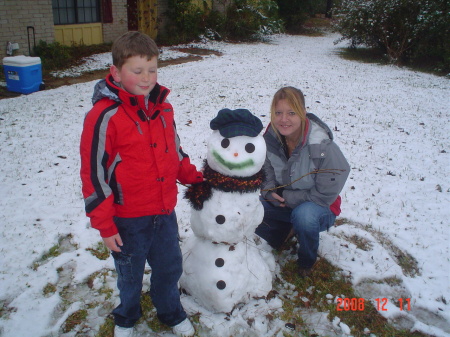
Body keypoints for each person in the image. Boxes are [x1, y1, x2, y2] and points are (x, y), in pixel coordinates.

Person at [80, 31, 202, 337]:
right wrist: (105, 226)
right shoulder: (103, 116)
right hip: (127, 218)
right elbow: (94, 174)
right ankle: (127, 315)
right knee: (130, 275)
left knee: (169, 268)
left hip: (164, 212)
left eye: (152, 70)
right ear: (116, 72)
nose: (147, 78)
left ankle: (170, 311)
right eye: (137, 71)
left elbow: (174, 152)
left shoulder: (163, 109)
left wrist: (194, 179)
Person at [255, 86, 350, 277]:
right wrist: (268, 191)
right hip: (284, 202)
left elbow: (325, 194)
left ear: (303, 113)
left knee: (304, 217)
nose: (283, 119)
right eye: (278, 113)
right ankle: (279, 237)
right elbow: (266, 170)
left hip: (319, 206)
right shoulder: (269, 139)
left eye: (291, 112)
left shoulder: (321, 144)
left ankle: (306, 261)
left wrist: (287, 197)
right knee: (252, 208)